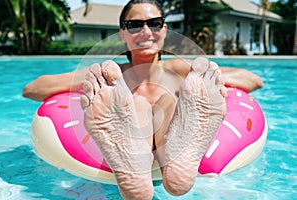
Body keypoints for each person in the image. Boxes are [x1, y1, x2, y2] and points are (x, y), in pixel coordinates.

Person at [23, 0, 263, 199]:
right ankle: (132, 156)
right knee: (134, 102)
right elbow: (33, 89)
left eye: (155, 24)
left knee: (167, 102)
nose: (146, 32)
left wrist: (215, 80)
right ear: (122, 34)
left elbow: (252, 80)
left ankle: (176, 159)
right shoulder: (110, 75)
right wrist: (82, 80)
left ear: (165, 31)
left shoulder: (180, 69)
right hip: (128, 130)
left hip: (171, 131)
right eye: (135, 25)